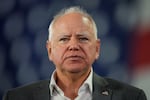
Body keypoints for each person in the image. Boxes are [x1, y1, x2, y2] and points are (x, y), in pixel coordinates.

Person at [3, 6, 147, 100]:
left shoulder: (132, 97)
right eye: (64, 39)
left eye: (83, 38)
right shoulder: (16, 97)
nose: (73, 46)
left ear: (97, 49)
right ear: (50, 50)